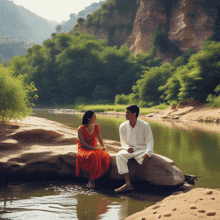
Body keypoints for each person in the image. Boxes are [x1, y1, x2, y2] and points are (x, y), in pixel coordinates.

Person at [114, 105, 154, 192]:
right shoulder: (122, 126)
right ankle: (128, 183)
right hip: (129, 150)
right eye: (126, 112)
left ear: (134, 113)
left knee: (145, 159)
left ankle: (143, 185)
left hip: (142, 150)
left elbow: (150, 140)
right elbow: (123, 142)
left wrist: (147, 153)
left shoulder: (145, 125)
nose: (125, 114)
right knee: (119, 155)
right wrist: (127, 147)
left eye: (127, 113)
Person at [76, 110, 110, 188]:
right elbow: (83, 144)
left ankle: (97, 178)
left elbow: (100, 138)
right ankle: (91, 180)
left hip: (94, 148)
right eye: (94, 116)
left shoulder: (97, 127)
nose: (96, 118)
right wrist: (94, 148)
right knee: (92, 155)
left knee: (106, 155)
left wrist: (103, 146)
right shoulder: (81, 129)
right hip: (84, 149)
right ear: (88, 118)